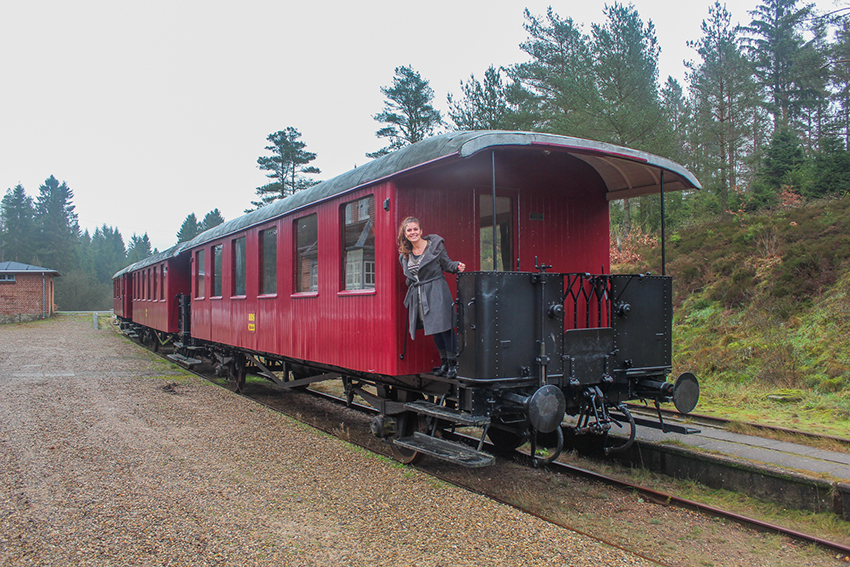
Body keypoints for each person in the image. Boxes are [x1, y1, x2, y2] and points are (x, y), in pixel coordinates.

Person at [398, 216, 465, 378]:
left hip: (437, 290)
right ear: (405, 234)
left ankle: (454, 365)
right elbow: (411, 276)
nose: (413, 232)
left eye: (415, 229)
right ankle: (444, 363)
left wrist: (456, 266)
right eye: (409, 230)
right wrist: (411, 283)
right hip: (420, 295)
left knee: (445, 328)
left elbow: (446, 263)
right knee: (434, 329)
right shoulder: (405, 255)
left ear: (421, 231)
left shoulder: (434, 247)